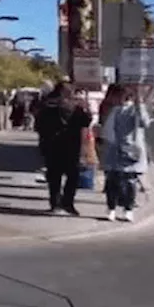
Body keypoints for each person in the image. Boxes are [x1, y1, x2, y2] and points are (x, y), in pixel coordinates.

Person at [35, 80, 93, 215]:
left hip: (62, 146)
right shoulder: (53, 106)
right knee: (64, 177)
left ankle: (60, 203)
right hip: (63, 146)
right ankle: (63, 203)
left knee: (63, 176)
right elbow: (86, 122)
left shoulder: (50, 106)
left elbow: (86, 121)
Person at [101, 84, 150, 221]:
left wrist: (139, 103)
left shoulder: (135, 110)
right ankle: (114, 209)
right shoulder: (115, 110)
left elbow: (144, 123)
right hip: (116, 150)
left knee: (126, 181)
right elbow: (107, 130)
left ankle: (125, 209)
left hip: (129, 151)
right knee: (116, 181)